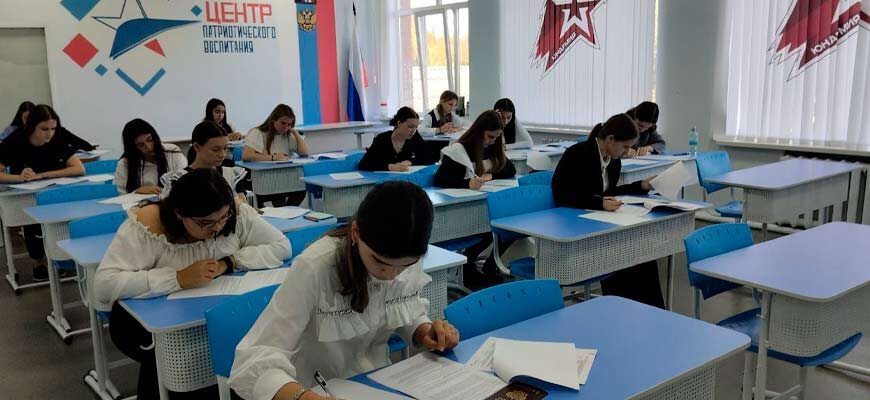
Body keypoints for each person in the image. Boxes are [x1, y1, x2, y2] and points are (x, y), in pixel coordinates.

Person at [229, 181, 460, 400]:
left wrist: (425, 331)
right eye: (380, 262)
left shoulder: (404, 252)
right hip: (316, 389)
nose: (391, 275)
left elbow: (399, 307)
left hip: (377, 383)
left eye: (405, 266)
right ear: (356, 232)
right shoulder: (315, 267)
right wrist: (304, 397)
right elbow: (254, 358)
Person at [95, 168, 291, 400]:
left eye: (223, 218)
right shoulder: (149, 224)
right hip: (142, 324)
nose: (217, 227)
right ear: (180, 213)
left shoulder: (232, 213)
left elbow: (282, 246)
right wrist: (177, 278)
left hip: (206, 316)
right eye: (205, 223)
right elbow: (104, 284)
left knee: (232, 349)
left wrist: (229, 262)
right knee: (175, 360)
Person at [551, 113, 663, 308]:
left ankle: (653, 311)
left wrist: (641, 186)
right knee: (621, 256)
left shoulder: (613, 160)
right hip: (573, 224)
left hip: (598, 221)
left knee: (644, 255)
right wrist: (599, 203)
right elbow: (563, 194)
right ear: (610, 139)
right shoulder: (577, 154)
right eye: (625, 146)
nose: (628, 151)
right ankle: (621, 309)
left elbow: (608, 192)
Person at [0, 104, 86, 282]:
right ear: (32, 127)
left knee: (62, 224)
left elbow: (79, 168)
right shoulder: (16, 140)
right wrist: (18, 177)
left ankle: (62, 258)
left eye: (53, 128)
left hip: (55, 191)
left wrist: (44, 174)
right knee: (32, 224)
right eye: (44, 129)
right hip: (26, 193)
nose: (50, 134)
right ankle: (38, 262)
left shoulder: (57, 138)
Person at [434, 110, 516, 289]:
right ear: (480, 132)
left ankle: (486, 265)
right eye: (490, 136)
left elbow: (510, 169)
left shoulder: (492, 147)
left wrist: (491, 175)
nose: (493, 141)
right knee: (487, 227)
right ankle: (468, 265)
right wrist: (467, 183)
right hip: (458, 212)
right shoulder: (459, 150)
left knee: (505, 225)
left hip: (481, 207)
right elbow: (441, 179)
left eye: (497, 137)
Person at [159, 121, 247, 200]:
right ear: (197, 147)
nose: (222, 154)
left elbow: (242, 202)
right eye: (215, 150)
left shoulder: (231, 174)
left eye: (225, 148)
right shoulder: (178, 179)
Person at [243, 104, 309, 206]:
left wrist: (295, 133)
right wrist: (273, 157)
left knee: (301, 189)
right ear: (273, 120)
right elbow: (246, 155)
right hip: (264, 179)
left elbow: (304, 153)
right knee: (278, 193)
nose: (286, 127)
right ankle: (285, 213)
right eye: (283, 123)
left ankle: (287, 212)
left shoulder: (288, 135)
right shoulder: (258, 132)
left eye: (289, 124)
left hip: (283, 177)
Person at [115, 118, 188, 194]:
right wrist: (136, 192)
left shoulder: (172, 152)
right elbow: (121, 194)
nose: (149, 147)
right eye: (141, 145)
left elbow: (186, 180)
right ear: (133, 148)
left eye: (150, 140)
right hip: (139, 201)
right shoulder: (125, 163)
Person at [358, 107, 433, 171]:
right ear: (399, 123)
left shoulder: (415, 137)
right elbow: (364, 164)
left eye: (416, 127)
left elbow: (430, 157)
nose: (413, 131)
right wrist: (390, 167)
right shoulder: (382, 139)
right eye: (410, 126)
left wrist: (411, 162)